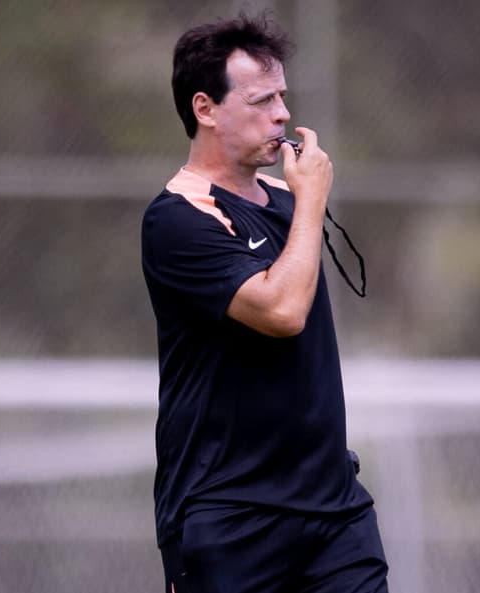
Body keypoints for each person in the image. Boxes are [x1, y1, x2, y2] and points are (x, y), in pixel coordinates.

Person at [141, 13, 390, 593]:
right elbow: (281, 313)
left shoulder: (285, 201)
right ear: (205, 109)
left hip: (334, 513)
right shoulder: (176, 219)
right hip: (231, 517)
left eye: (282, 96)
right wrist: (310, 201)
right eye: (261, 100)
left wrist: (300, 202)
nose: (282, 114)